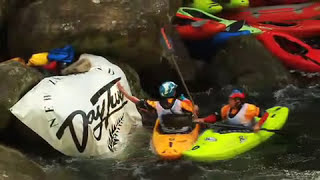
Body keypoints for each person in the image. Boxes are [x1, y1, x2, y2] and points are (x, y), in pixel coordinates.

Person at [117, 81, 198, 133]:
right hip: (183, 131)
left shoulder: (155, 104)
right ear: (173, 92)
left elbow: (137, 101)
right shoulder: (182, 103)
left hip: (166, 131)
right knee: (195, 108)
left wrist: (123, 91)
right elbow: (193, 112)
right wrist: (187, 101)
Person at [194, 89, 268, 132]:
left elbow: (265, 114)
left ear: (238, 101)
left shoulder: (249, 108)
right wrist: (203, 120)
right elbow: (217, 117)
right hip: (231, 131)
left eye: (231, 99)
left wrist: (258, 125)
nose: (229, 101)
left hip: (247, 131)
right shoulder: (226, 108)